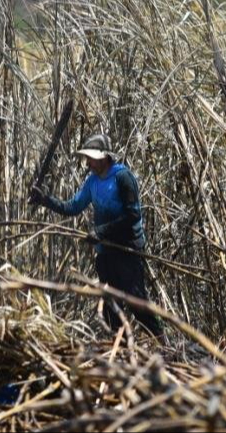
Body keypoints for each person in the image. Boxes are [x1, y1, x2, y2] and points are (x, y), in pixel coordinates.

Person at [31, 133, 163, 337]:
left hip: (127, 250)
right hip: (106, 253)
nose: (88, 162)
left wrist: (101, 231)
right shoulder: (92, 182)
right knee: (111, 307)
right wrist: (44, 200)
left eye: (91, 158)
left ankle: (163, 344)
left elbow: (132, 215)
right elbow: (72, 207)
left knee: (138, 303)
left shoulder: (122, 177)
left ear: (105, 157)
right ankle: (120, 352)